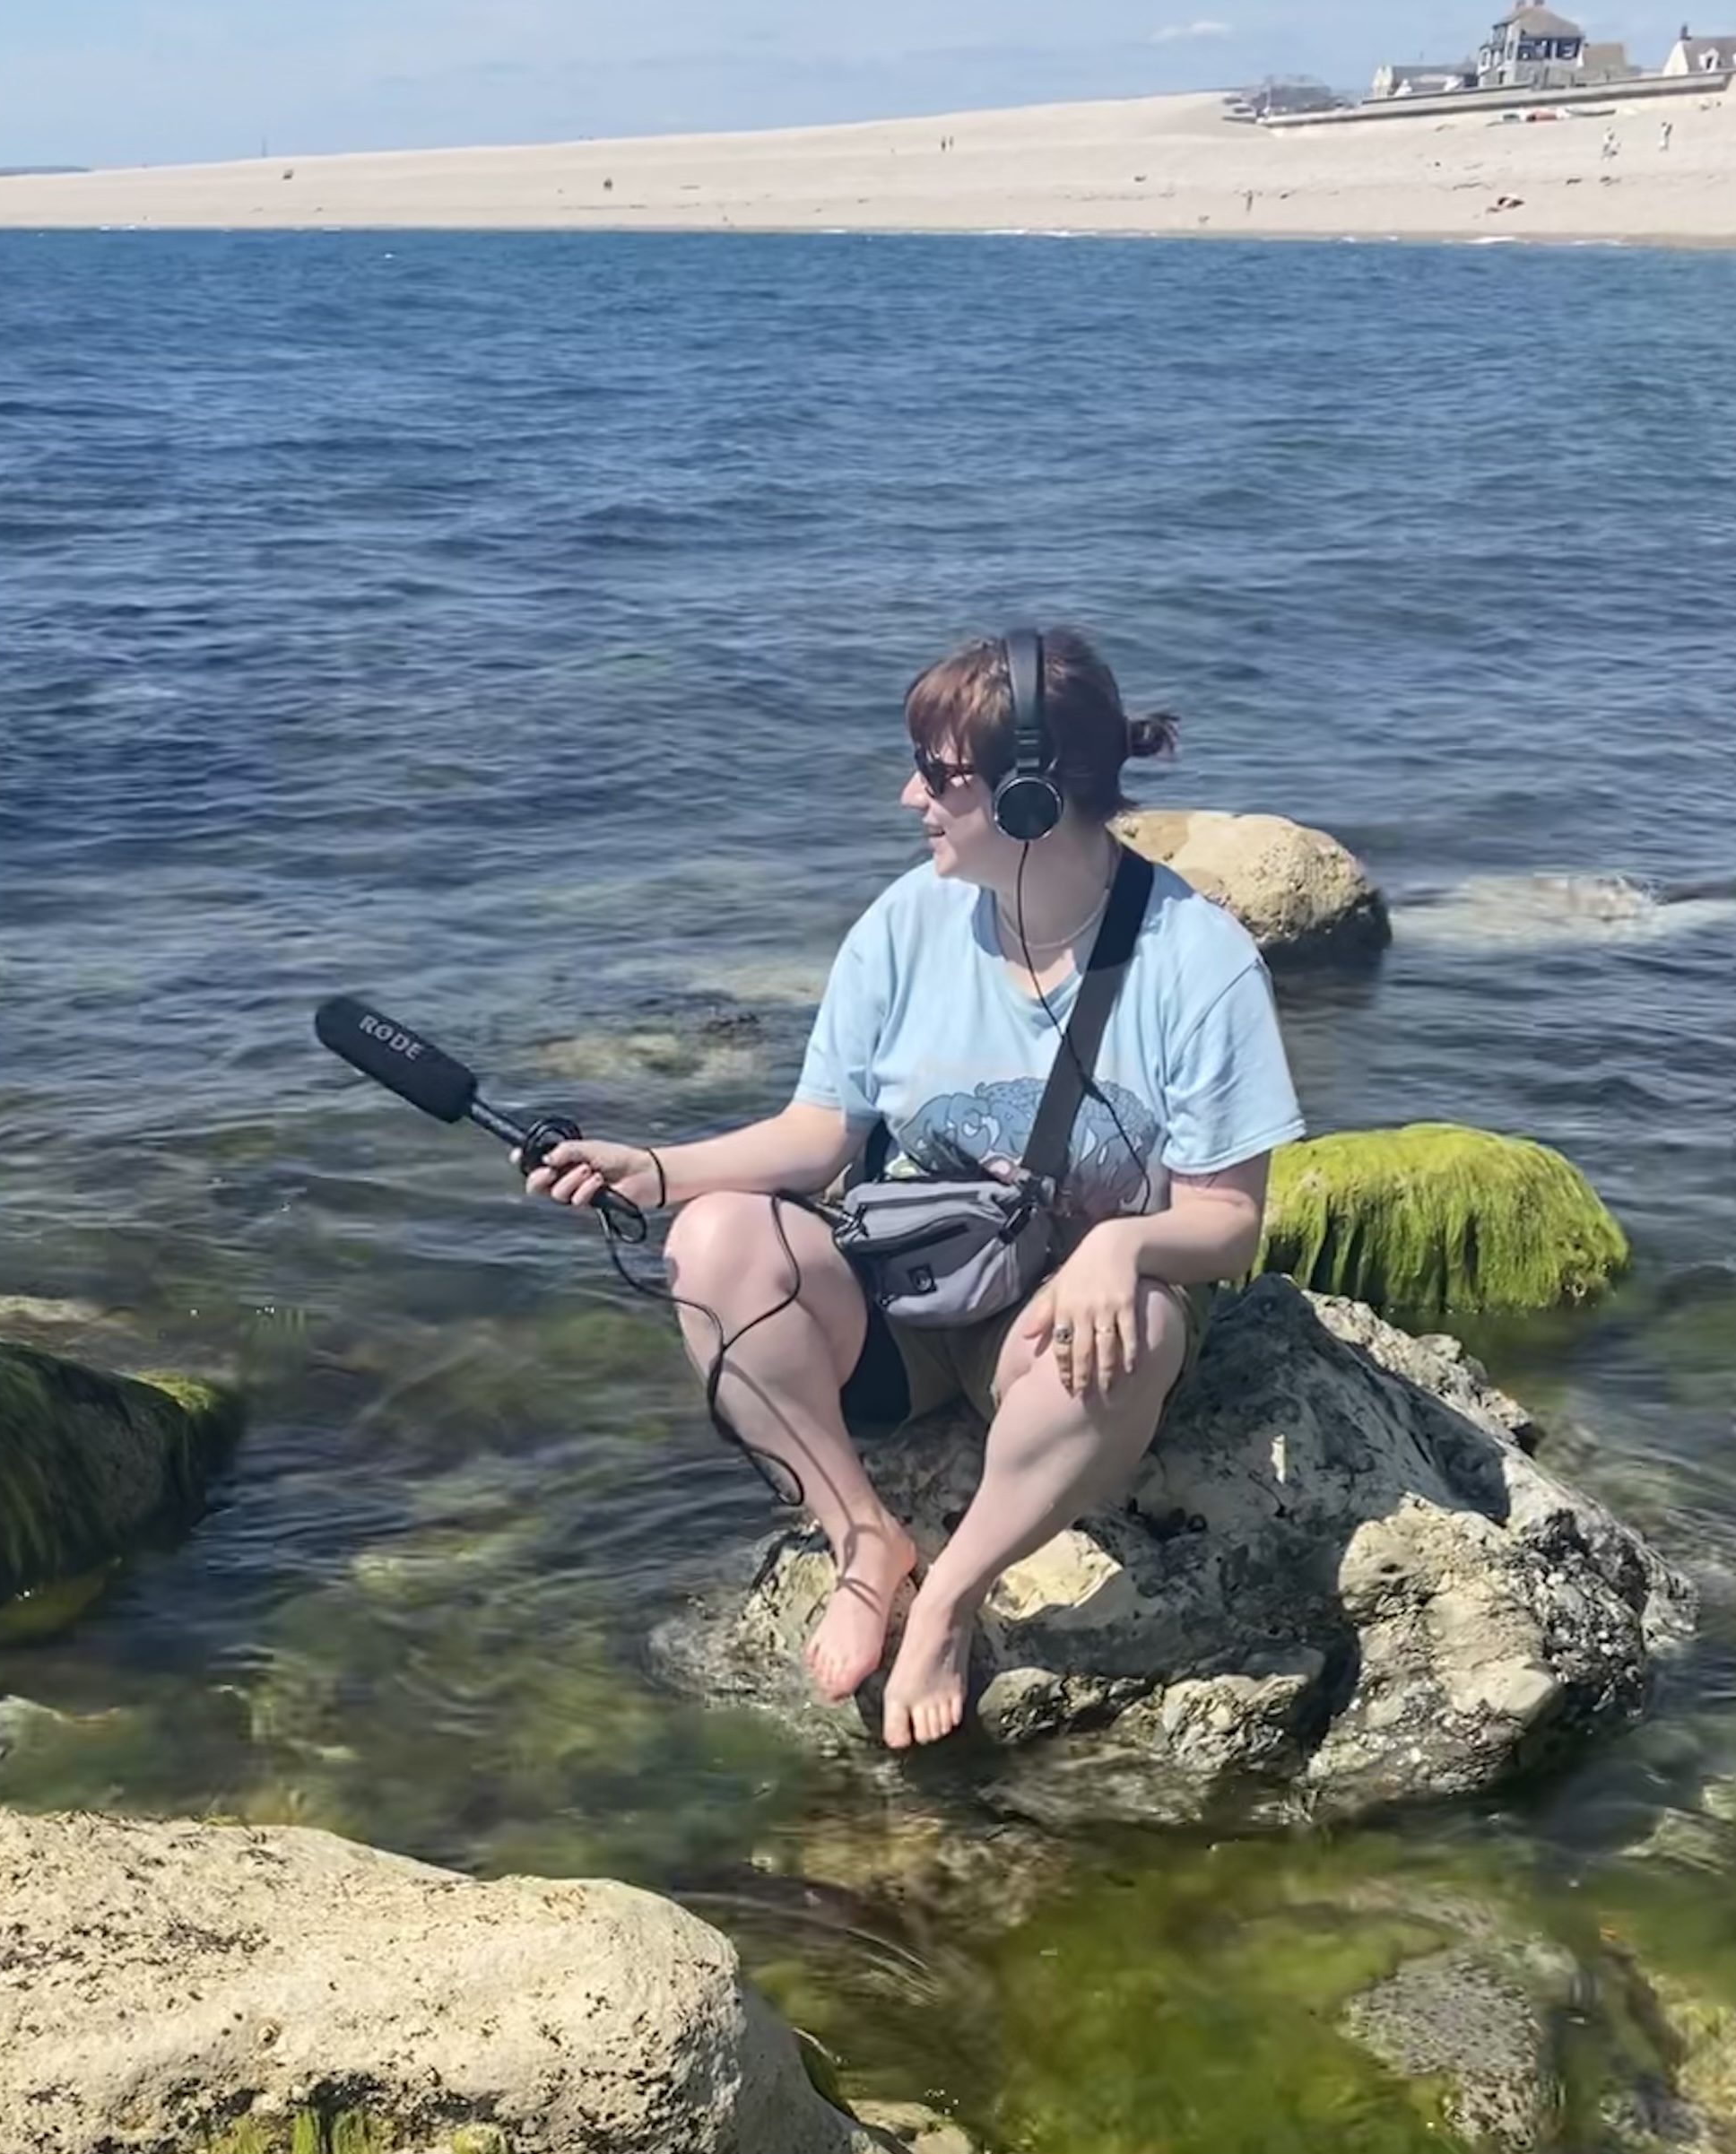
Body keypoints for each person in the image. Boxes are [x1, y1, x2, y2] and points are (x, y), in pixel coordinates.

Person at [529, 625, 1304, 1750]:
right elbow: (817, 1136)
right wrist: (651, 1171)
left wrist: (1119, 1248)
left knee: (1129, 1317)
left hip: (1055, 1345)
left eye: (939, 776)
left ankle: (949, 1595)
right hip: (899, 1306)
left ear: (1035, 796)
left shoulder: (1197, 959)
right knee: (714, 1244)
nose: (909, 798)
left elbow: (1230, 1221)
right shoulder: (905, 923)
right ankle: (865, 1542)